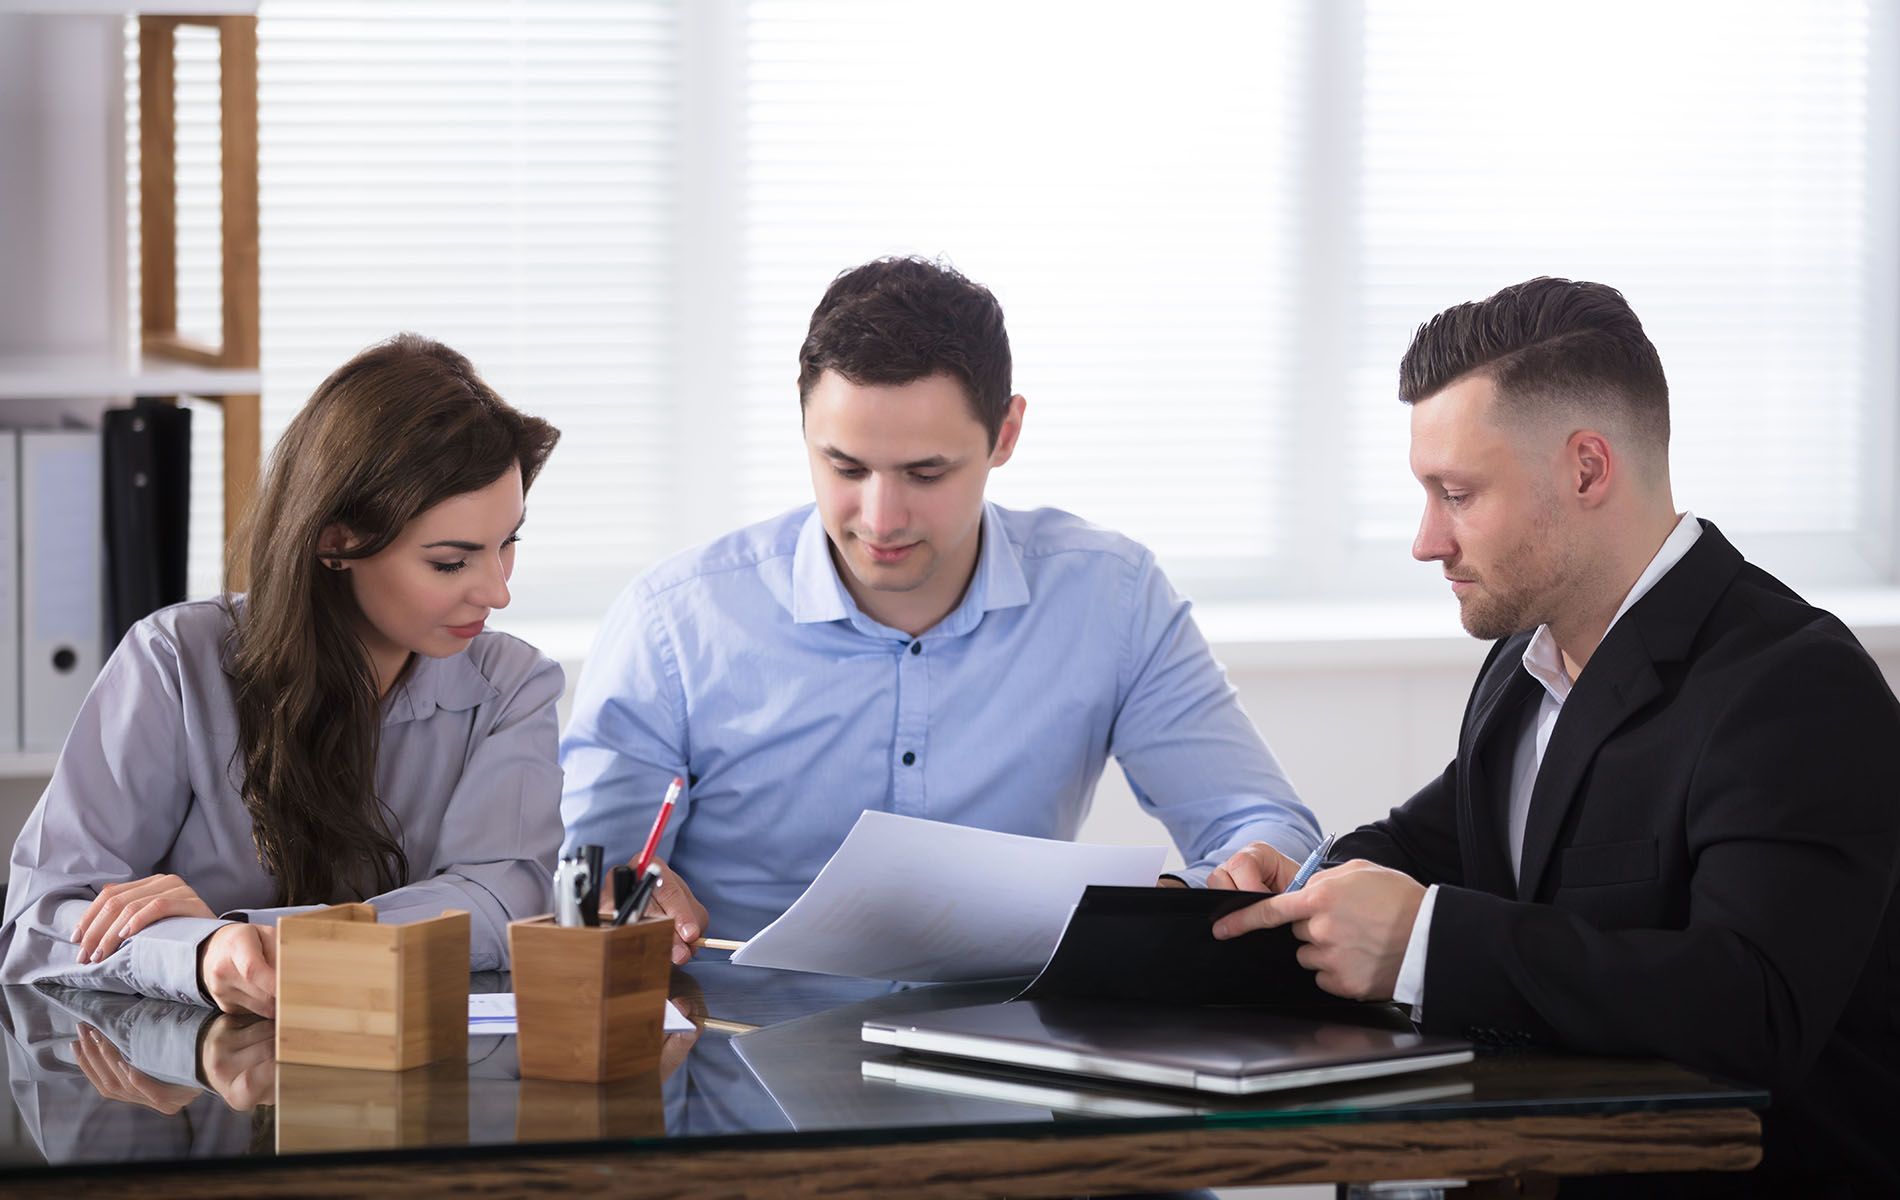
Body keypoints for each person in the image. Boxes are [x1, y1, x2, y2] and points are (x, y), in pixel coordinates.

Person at [1209, 278, 1900, 1190]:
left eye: (1457, 493)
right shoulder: (1528, 656)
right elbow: (1433, 840)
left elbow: (1754, 1009)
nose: (1426, 541)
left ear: (1585, 469)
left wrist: (1425, 943)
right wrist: (1298, 887)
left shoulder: (1794, 686)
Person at [562, 256, 1320, 961]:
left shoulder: (1109, 598)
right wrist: (624, 897)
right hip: (729, 1055)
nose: (881, 518)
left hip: (1006, 1057)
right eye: (845, 467)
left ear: (1006, 435)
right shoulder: (676, 623)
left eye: (926, 472)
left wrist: (1184, 895)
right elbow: (584, 881)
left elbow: (1266, 829)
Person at [0, 334, 567, 1018]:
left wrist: (249, 934)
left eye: (508, 545)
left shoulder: (512, 686)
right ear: (336, 542)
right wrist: (204, 957)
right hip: (190, 1095)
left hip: (415, 1084)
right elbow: (41, 922)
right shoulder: (173, 661)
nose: (498, 592)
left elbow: (501, 901)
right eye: (451, 562)